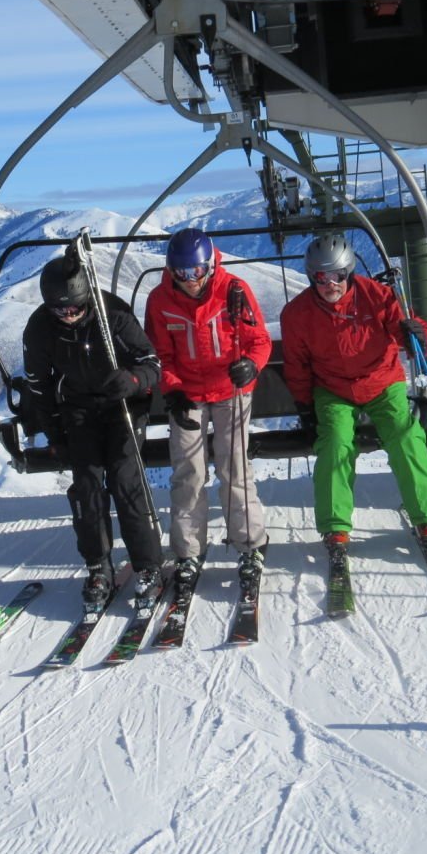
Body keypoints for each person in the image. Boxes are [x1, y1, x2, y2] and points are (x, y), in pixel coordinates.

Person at [279, 232, 427, 559]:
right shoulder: (297, 314)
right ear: (313, 277)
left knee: (404, 435)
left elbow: (411, 333)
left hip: (382, 382)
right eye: (322, 278)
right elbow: (297, 365)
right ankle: (335, 526)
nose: (331, 285)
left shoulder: (378, 296)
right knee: (336, 443)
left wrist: (418, 336)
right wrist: (304, 407)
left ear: (349, 272)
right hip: (334, 389)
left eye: (338, 277)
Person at [22, 250, 164, 607]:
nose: (68, 317)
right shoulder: (40, 328)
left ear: (86, 299)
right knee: (86, 484)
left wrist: (132, 380)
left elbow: (151, 363)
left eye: (75, 309)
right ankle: (98, 564)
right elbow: (39, 386)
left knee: (123, 476)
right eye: (60, 311)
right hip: (79, 410)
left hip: (123, 407)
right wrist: (55, 436)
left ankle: (147, 564)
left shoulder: (111, 314)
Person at [144, 229, 271, 590]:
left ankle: (250, 543)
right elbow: (160, 355)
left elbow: (258, 340)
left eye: (197, 272)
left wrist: (251, 365)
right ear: (171, 271)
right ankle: (188, 551)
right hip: (188, 394)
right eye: (182, 274)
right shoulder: (160, 300)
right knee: (189, 472)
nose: (191, 282)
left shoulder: (233, 291)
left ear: (211, 266)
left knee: (234, 466)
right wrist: (173, 390)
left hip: (231, 389)